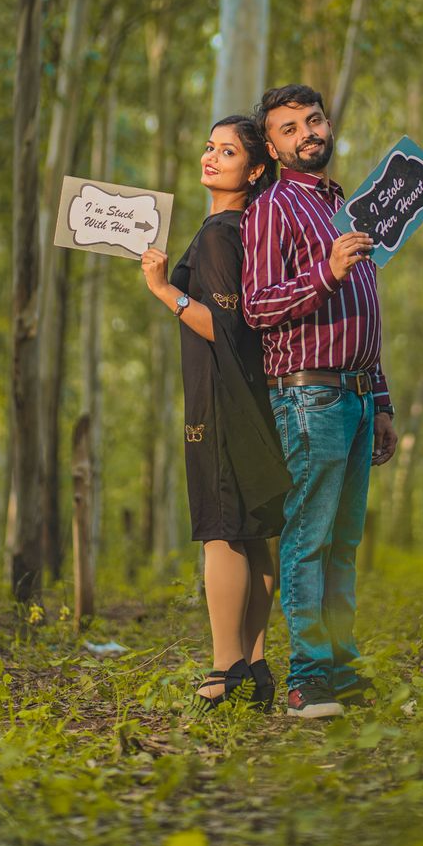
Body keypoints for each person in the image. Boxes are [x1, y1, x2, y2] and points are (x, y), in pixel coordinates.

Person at [241, 85, 398, 719]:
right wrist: (326, 270)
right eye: (288, 128)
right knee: (308, 539)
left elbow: (367, 313)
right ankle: (307, 680)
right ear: (274, 148)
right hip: (308, 396)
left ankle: (341, 667)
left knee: (342, 544)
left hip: (357, 399)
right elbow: (257, 307)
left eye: (313, 120)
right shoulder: (272, 208)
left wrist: (381, 400)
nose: (307, 132)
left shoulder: (347, 210)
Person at [141, 115, 290, 712]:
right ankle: (254, 666)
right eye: (208, 147)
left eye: (227, 152)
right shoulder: (241, 228)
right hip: (247, 394)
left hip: (222, 397)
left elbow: (225, 327)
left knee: (222, 530)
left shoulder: (224, 232)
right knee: (252, 533)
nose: (210, 157)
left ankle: (223, 671)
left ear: (254, 170)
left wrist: (164, 291)